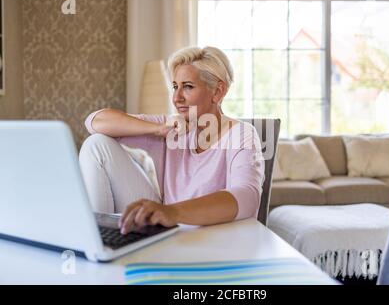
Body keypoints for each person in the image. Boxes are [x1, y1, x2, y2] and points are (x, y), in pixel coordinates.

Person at [79, 46, 265, 235]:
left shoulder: (241, 134)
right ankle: (98, 239)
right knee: (96, 144)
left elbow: (247, 198)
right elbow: (95, 121)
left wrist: (172, 212)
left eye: (188, 86)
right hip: (167, 230)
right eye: (175, 86)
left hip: (211, 235)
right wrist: (157, 129)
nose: (177, 98)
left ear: (217, 92)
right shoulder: (173, 127)